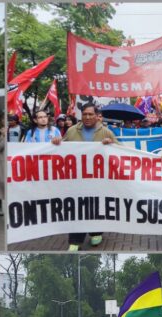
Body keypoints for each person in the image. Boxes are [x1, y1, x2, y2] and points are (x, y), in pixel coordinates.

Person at [51, 103, 119, 251]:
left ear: (97, 116)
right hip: (77, 179)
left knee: (95, 206)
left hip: (98, 180)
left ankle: (96, 231)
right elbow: (62, 149)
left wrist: (112, 144)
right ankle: (75, 240)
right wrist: (57, 143)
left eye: (90, 114)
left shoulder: (106, 132)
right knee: (77, 208)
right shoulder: (71, 131)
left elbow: (120, 151)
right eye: (85, 114)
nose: (87, 117)